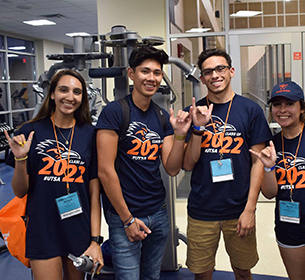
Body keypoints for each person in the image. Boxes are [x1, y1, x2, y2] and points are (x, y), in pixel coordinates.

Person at [96, 45, 191, 280]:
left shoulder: (160, 116)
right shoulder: (115, 112)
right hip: (124, 215)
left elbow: (171, 168)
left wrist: (179, 134)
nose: (152, 78)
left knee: (151, 276)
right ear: (131, 73)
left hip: (157, 212)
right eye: (145, 71)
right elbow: (105, 171)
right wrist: (127, 219)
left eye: (157, 73)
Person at [182, 48, 272, 280]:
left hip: (238, 209)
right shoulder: (193, 111)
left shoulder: (250, 110)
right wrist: (198, 128)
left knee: (243, 271)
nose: (215, 75)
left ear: (231, 71)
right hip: (202, 209)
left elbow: (258, 162)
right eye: (208, 71)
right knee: (202, 274)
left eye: (220, 68)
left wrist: (250, 209)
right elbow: (188, 164)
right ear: (202, 78)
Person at [4, 69, 103, 280]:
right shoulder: (30, 131)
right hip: (42, 228)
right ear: (52, 94)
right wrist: (21, 159)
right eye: (63, 90)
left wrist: (95, 240)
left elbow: (94, 195)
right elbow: (19, 191)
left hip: (78, 228)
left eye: (77, 92)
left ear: (82, 98)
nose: (70, 97)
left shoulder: (90, 134)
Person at [250, 81, 305, 280]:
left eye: (289, 103)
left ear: (301, 108)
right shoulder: (271, 145)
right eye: (277, 104)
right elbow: (270, 193)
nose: (282, 110)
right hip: (289, 228)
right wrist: (268, 166)